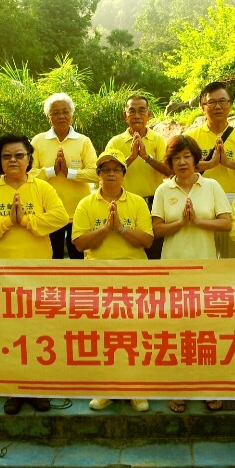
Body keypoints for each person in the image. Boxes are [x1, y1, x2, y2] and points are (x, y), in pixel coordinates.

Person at [0, 134, 69, 414]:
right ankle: (13, 390)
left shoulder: (42, 187)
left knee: (38, 332)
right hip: (3, 276)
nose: (13, 160)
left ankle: (38, 388)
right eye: (7, 156)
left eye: (19, 155)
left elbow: (60, 216)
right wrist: (6, 222)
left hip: (38, 275)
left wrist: (27, 220)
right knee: (8, 333)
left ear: (29, 159)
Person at [152, 134, 231, 414]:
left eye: (187, 156)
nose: (182, 162)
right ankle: (178, 387)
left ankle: (209, 386)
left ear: (196, 159)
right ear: (170, 162)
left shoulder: (211, 186)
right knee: (176, 330)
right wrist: (181, 224)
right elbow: (156, 230)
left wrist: (197, 221)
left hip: (206, 268)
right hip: (172, 269)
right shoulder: (164, 190)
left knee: (205, 330)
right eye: (176, 158)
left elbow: (226, 224)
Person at [72, 149, 153, 413]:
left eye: (116, 170)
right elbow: (79, 243)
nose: (111, 174)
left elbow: (147, 241)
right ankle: (106, 388)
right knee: (104, 334)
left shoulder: (137, 202)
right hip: (98, 277)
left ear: (123, 174)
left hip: (134, 276)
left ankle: (136, 389)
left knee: (134, 333)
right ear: (98, 174)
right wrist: (106, 228)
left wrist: (121, 229)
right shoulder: (86, 204)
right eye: (105, 170)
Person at [186, 81, 235, 258]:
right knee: (204, 254)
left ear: (230, 104)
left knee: (233, 255)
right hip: (200, 199)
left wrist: (227, 162)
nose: (217, 106)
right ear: (202, 106)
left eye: (222, 101)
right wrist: (210, 164)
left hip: (234, 199)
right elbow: (178, 167)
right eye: (211, 102)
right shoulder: (190, 137)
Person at [31, 93, 98, 259]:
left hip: (78, 212)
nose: (61, 116)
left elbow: (96, 173)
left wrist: (70, 173)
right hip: (48, 211)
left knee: (78, 260)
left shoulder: (83, 141)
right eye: (55, 113)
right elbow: (29, 175)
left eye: (65, 111)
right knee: (52, 259)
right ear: (48, 117)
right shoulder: (38, 141)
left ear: (72, 114)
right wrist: (52, 171)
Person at [105, 93, 170, 259]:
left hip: (154, 204)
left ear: (149, 115)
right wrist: (131, 157)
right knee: (128, 251)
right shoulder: (115, 142)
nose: (137, 116)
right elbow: (107, 173)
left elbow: (168, 171)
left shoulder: (158, 140)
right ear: (125, 115)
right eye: (132, 111)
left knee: (155, 251)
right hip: (125, 204)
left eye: (141, 111)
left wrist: (147, 157)